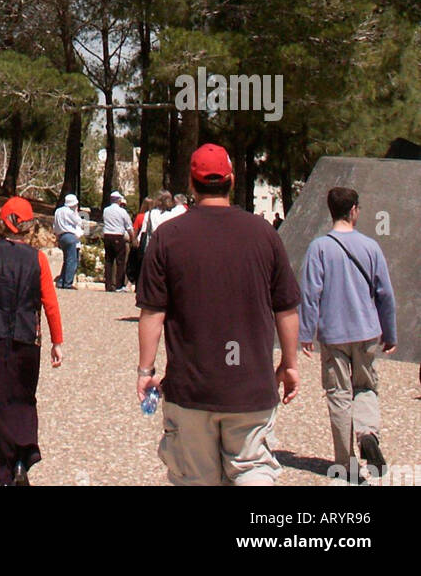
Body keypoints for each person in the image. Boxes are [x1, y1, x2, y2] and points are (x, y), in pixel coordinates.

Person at [136, 144, 301, 486]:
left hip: (191, 389)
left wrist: (146, 370)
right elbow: (285, 307)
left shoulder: (168, 236)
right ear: (231, 179)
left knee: (195, 477)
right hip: (251, 387)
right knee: (253, 468)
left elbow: (153, 312)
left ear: (192, 184)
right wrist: (289, 363)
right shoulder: (264, 233)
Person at [0, 196, 63, 486]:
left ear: (4, 222)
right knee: (24, 398)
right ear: (27, 225)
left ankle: (6, 471)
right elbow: (50, 304)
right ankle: (22, 458)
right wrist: (58, 341)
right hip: (27, 337)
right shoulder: (37, 259)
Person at [299, 186, 397, 484]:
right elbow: (385, 294)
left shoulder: (319, 248)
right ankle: (367, 431)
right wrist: (389, 332)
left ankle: (346, 464)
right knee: (365, 387)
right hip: (366, 330)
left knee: (339, 394)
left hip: (334, 333)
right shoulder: (370, 247)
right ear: (354, 209)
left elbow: (309, 293)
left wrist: (306, 332)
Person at [102, 190, 134, 292]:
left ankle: (108, 285)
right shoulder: (122, 212)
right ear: (119, 200)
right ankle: (119, 285)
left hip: (107, 235)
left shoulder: (106, 210)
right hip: (118, 236)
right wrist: (132, 238)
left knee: (108, 261)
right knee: (120, 261)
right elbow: (129, 226)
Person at [53, 192, 85, 289]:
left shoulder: (58, 211)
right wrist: (76, 211)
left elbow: (55, 225)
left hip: (61, 236)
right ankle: (68, 283)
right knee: (72, 260)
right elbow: (78, 222)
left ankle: (61, 281)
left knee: (66, 260)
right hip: (70, 236)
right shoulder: (70, 212)